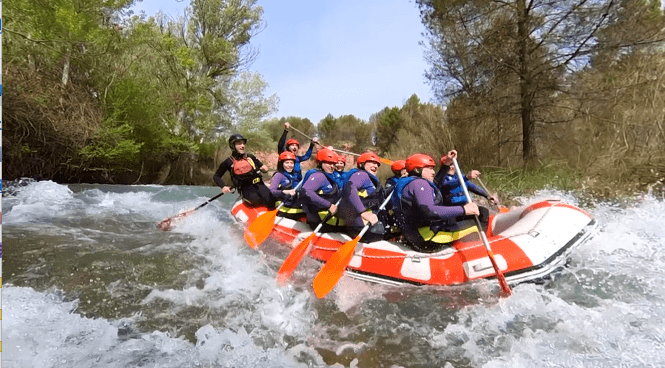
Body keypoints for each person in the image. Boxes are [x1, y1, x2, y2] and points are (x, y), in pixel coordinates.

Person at [391, 151, 480, 253]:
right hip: (428, 238)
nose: (433, 172)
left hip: (414, 234)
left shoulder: (407, 182)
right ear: (417, 169)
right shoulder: (419, 184)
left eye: (433, 168)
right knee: (475, 223)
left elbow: (436, 184)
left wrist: (446, 163)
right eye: (429, 169)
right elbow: (430, 211)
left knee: (454, 220)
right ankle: (477, 254)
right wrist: (464, 209)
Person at [433, 152, 498, 231]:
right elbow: (449, 185)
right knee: (451, 224)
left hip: (464, 207)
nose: (452, 167)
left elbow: (474, 188)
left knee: (483, 211)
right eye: (450, 165)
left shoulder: (460, 177)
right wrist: (466, 177)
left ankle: (482, 233)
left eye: (453, 164)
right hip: (452, 211)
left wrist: (487, 196)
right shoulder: (441, 180)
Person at [214, 133, 276, 208]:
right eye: (239, 144)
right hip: (245, 188)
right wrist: (223, 186)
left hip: (259, 184)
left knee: (271, 200)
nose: (242, 146)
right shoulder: (228, 162)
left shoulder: (250, 157)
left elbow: (263, 168)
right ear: (233, 146)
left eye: (243, 144)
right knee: (256, 200)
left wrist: (265, 169)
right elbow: (216, 176)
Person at [337, 152, 387, 242]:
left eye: (377, 164)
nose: (375, 166)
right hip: (361, 225)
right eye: (372, 163)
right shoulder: (361, 175)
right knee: (387, 232)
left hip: (363, 224)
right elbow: (349, 187)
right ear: (362, 164)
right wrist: (363, 212)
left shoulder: (371, 180)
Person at [297, 147, 344, 232]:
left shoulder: (332, 176)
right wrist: (329, 205)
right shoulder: (318, 176)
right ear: (321, 162)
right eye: (329, 163)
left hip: (328, 218)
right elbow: (306, 191)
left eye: (333, 164)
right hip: (320, 220)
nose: (332, 166)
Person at [269, 151, 305, 220]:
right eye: (287, 163)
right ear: (282, 164)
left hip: (295, 204)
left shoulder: (295, 175)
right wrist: (285, 192)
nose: (289, 165)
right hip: (285, 206)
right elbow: (272, 191)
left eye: (291, 163)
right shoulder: (278, 175)